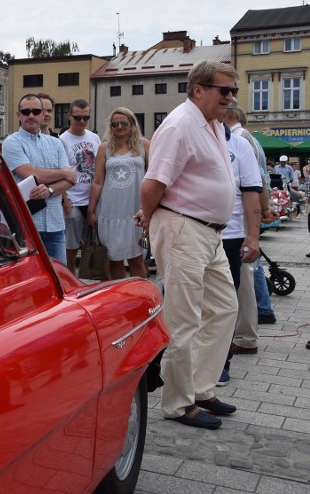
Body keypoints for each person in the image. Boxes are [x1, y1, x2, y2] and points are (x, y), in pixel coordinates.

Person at [135, 60, 251, 430]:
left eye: (233, 91)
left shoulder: (213, 124)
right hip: (185, 228)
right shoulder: (181, 123)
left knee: (223, 308)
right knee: (184, 318)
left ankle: (201, 388)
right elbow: (153, 183)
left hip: (208, 232)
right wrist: (149, 217)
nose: (231, 98)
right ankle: (178, 403)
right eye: (224, 91)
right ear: (199, 90)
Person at [218, 104, 263, 385]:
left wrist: (253, 236)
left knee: (226, 303)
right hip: (194, 234)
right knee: (195, 304)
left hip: (231, 235)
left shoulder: (240, 144)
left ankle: (221, 362)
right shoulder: (188, 138)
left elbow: (252, 191)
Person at [2, 94, 75, 262]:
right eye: (26, 111)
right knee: (29, 282)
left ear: (43, 114)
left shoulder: (56, 143)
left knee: (59, 280)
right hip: (26, 227)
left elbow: (71, 181)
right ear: (18, 115)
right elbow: (30, 173)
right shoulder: (11, 142)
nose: (31, 116)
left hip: (55, 225)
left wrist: (49, 190)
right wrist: (63, 173)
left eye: (35, 111)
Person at [87, 107, 149, 279]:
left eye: (124, 123)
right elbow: (98, 181)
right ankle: (121, 299)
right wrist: (91, 210)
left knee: (137, 259)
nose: (119, 127)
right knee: (114, 259)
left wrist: (151, 208)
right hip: (110, 211)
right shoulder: (104, 148)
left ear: (132, 125)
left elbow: (153, 177)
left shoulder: (143, 145)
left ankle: (141, 298)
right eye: (115, 124)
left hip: (135, 211)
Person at [233, 105, 278, 324]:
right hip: (252, 202)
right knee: (252, 260)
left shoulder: (240, 138)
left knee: (250, 261)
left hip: (246, 205)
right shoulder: (249, 138)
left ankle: (263, 308)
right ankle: (263, 308)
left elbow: (256, 179)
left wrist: (264, 208)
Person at [59, 99, 101, 275]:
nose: (82, 121)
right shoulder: (62, 140)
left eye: (86, 117)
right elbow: (59, 172)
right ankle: (69, 276)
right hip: (73, 199)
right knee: (71, 246)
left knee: (95, 244)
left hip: (91, 198)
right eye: (77, 117)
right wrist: (64, 200)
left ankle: (90, 274)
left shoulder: (95, 138)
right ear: (69, 116)